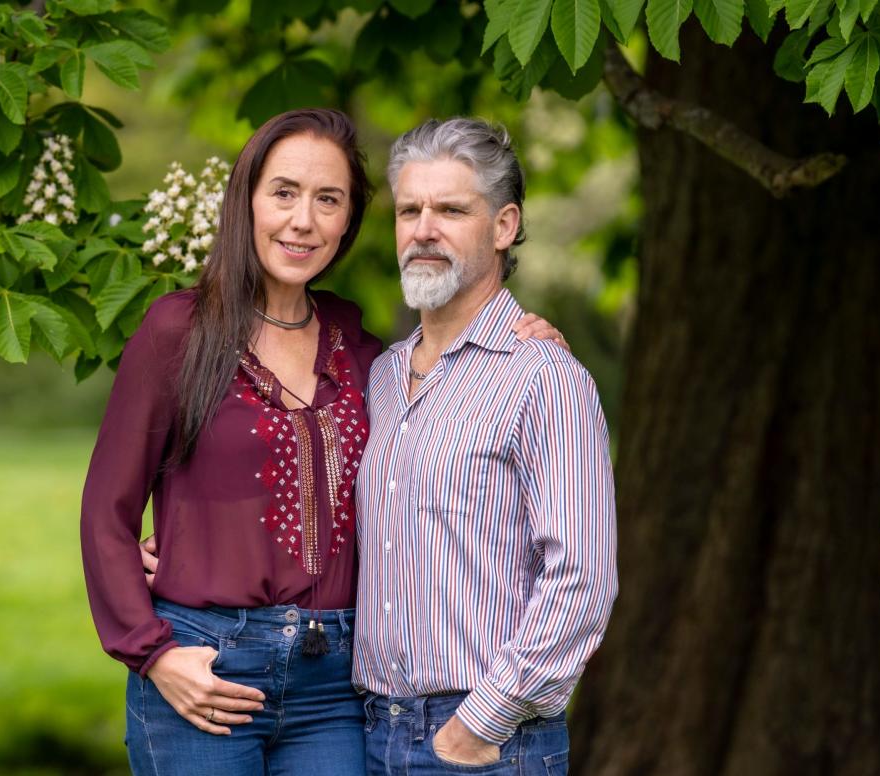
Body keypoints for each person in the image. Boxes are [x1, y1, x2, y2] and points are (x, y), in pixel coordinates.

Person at [81, 109, 564, 776]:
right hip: (208, 667)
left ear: (348, 221)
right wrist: (152, 652)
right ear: (245, 200)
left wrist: (530, 344)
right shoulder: (178, 333)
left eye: (327, 199)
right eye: (283, 192)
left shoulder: (367, 356)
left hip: (334, 688)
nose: (302, 220)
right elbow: (106, 510)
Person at [354, 117, 617, 776]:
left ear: (502, 227)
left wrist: (480, 723)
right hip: (368, 731)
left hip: (486, 745)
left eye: (450, 210)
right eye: (409, 209)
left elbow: (581, 580)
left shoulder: (545, 378)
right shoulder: (381, 377)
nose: (422, 229)